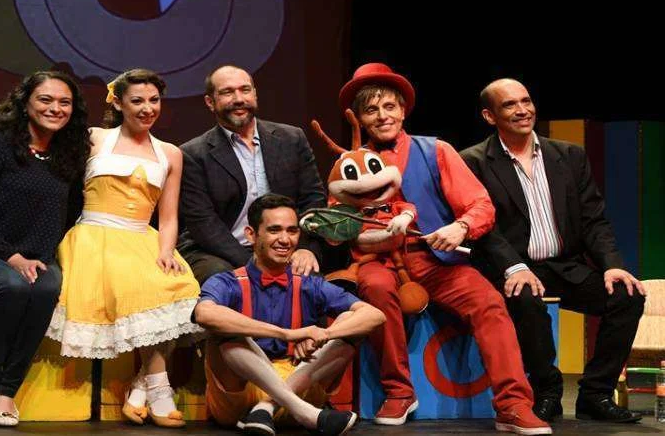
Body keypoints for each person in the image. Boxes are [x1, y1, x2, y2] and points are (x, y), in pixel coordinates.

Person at [339, 63, 550, 434]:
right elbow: (339, 223)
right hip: (380, 260)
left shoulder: (435, 150)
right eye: (371, 110)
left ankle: (513, 403)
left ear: (403, 110)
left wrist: (459, 227)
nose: (382, 116)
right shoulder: (348, 165)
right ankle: (399, 390)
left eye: (389, 107)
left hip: (436, 260)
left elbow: (480, 205)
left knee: (488, 302)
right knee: (375, 288)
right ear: (359, 118)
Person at [460, 78, 646, 423]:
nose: (522, 110)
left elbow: (593, 220)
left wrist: (611, 264)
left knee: (626, 296)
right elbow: (485, 228)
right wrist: (513, 267)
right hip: (512, 266)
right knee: (525, 298)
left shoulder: (569, 155)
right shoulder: (473, 162)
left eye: (526, 101)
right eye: (510, 105)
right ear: (489, 116)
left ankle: (596, 394)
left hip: (565, 266)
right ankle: (546, 392)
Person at [45, 68, 203, 428]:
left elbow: (169, 216)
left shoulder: (170, 154)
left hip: (143, 237)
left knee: (178, 291)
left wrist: (166, 250)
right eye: (137, 101)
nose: (148, 108)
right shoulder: (95, 138)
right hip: (95, 237)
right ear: (117, 103)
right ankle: (159, 391)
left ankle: (140, 387)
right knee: (140, 290)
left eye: (154, 100)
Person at [0, 71, 90, 427]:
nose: (55, 108)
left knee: (47, 288)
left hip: (35, 259)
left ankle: (7, 392)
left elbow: (67, 215)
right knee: (11, 286)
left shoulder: (69, 155)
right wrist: (13, 257)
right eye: (45, 100)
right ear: (25, 104)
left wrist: (39, 258)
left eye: (64, 102)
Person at [193, 193, 385, 436]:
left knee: (350, 321)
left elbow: (375, 315)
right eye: (274, 230)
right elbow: (204, 314)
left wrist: (324, 334)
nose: (284, 239)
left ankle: (268, 407)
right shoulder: (227, 281)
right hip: (241, 398)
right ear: (251, 234)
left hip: (301, 387)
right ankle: (298, 412)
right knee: (224, 326)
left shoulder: (309, 284)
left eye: (292, 231)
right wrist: (287, 334)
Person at [178, 65, 326, 284]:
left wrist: (306, 248)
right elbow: (203, 223)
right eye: (228, 92)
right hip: (218, 252)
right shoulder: (193, 154)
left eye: (245, 90)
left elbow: (313, 199)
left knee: (309, 283)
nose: (239, 99)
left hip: (283, 245)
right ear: (210, 102)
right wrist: (255, 264)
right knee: (229, 282)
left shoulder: (292, 138)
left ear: (255, 94)